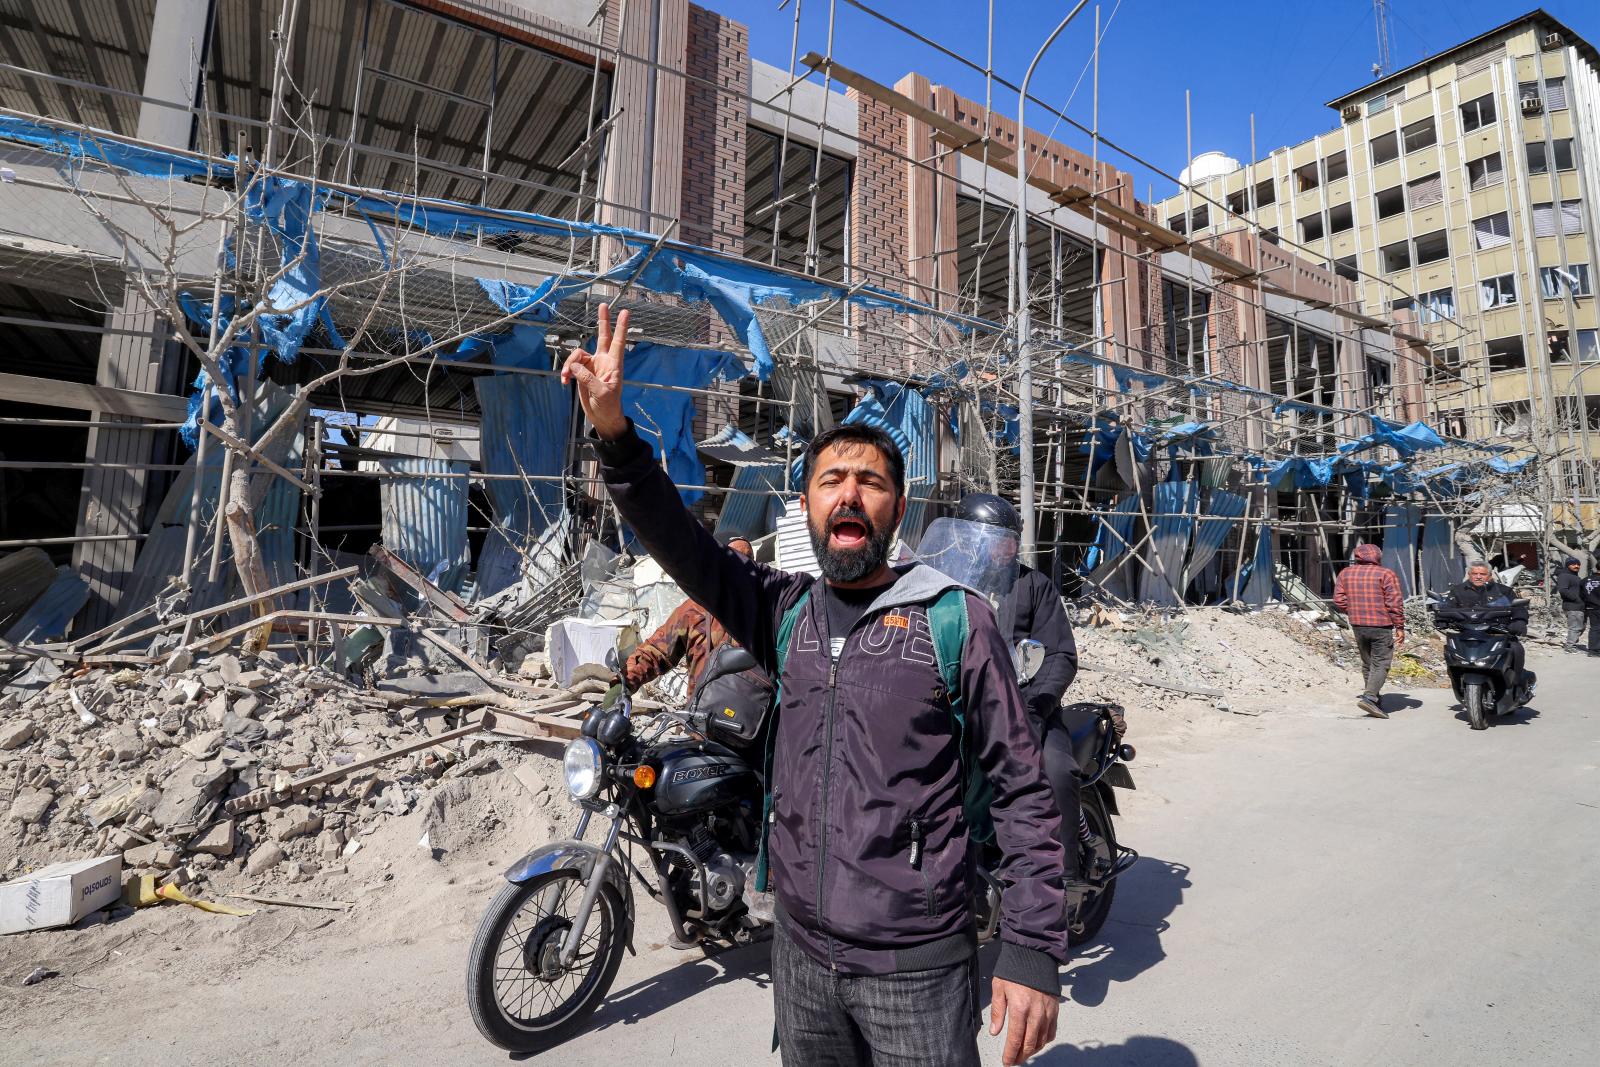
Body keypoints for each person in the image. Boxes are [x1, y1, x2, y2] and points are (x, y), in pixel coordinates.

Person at [565, 305, 1066, 1067]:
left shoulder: (953, 618)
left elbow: (1023, 787)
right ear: (806, 507)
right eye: (831, 480)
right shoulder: (782, 611)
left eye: (870, 481)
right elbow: (683, 546)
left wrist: (1031, 948)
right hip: (799, 956)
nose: (849, 494)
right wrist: (615, 436)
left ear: (898, 508)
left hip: (916, 967)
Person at [955, 494, 1085, 882]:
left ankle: (1061, 878)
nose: (1006, 547)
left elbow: (1060, 655)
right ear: (968, 540)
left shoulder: (1034, 586)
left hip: (1026, 707)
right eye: (996, 539)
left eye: (1011, 539)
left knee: (1056, 770)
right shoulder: (951, 587)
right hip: (967, 708)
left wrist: (1033, 709)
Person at [622, 533, 756, 694]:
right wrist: (624, 683)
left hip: (755, 706)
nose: (743, 565)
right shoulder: (694, 611)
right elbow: (657, 651)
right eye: (734, 558)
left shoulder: (769, 608)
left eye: (748, 558)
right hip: (704, 705)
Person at [1332, 543, 1405, 719]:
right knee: (1381, 663)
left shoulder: (1345, 573)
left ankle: (1373, 699)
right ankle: (1370, 697)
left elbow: (1338, 599)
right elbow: (1394, 602)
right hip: (1381, 625)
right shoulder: (1386, 574)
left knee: (1368, 662)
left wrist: (1354, 610)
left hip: (1358, 625)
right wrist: (1400, 626)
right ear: (1378, 556)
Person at [1439, 560, 1529, 679]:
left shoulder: (1504, 591)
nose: (1478, 577)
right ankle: (1456, 678)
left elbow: (1518, 608)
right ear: (1469, 574)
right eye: (1474, 573)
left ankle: (1515, 681)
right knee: (1450, 651)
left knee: (1516, 649)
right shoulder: (1457, 591)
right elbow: (1447, 607)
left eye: (1482, 574)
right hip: (1467, 633)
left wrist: (1519, 621)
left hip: (1498, 632)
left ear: (1490, 575)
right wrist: (1441, 619)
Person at [1554, 556, 1588, 653]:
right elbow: (1563, 590)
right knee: (1575, 627)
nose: (1576, 566)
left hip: (1580, 606)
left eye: (1578, 564)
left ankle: (1572, 644)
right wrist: (1577, 599)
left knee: (1581, 627)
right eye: (1573, 564)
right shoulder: (1564, 576)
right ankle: (1570, 647)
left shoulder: (1575, 577)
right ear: (1568, 565)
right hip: (1572, 606)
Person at [1583, 571, 1600, 658]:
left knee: (1594, 628)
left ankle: (1593, 650)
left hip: (1591, 607)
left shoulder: (1584, 580)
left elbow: (1580, 595)